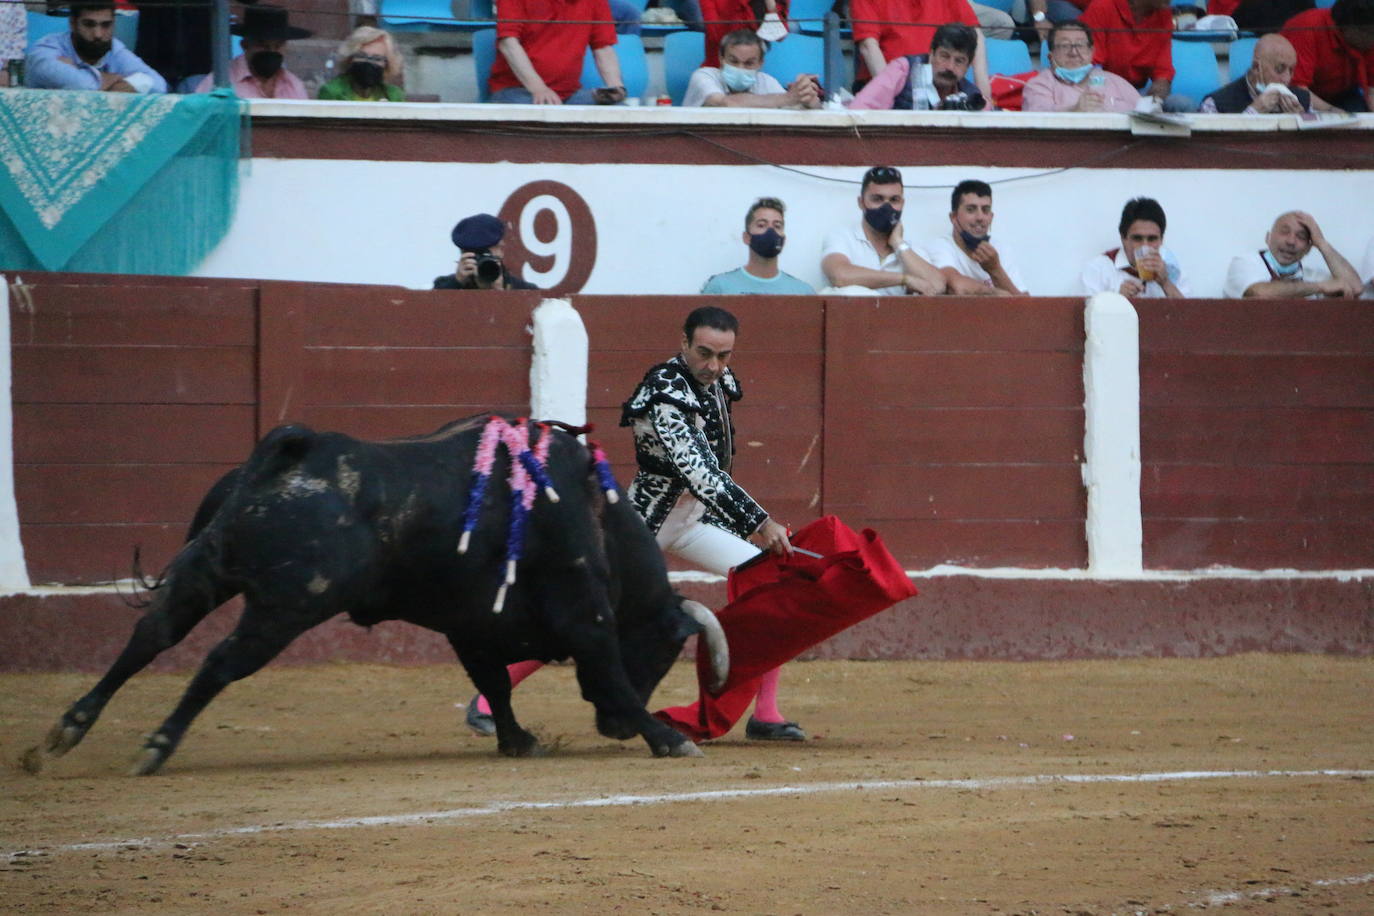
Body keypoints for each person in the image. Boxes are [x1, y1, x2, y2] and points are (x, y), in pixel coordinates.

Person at [468, 306, 806, 742]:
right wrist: (760, 522)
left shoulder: (718, 380)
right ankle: (486, 697)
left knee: (770, 582)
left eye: (724, 356)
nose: (713, 366)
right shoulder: (664, 391)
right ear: (683, 343)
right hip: (643, 523)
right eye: (704, 353)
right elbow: (700, 472)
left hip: (693, 519)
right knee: (587, 610)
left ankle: (767, 713)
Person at [820, 166, 946, 295]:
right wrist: (904, 279)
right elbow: (840, 276)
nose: (886, 207)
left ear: (902, 203)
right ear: (861, 202)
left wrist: (898, 244)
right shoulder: (842, 238)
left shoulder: (910, 251)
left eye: (894, 200)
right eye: (877, 199)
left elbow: (937, 286)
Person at [849, 0, 994, 101]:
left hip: (941, 85)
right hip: (891, 87)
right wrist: (891, 94)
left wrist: (983, 94)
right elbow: (868, 47)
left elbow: (976, 36)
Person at [488, 0, 626, 105]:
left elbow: (603, 48)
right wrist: (538, 88)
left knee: (622, 112)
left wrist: (615, 87)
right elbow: (507, 44)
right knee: (544, 114)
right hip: (517, 91)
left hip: (570, 95)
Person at [25, 1, 167, 93]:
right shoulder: (47, 49)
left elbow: (159, 85)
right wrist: (115, 80)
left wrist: (76, 71)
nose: (98, 34)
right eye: (89, 24)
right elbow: (82, 86)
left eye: (106, 25)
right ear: (72, 24)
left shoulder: (115, 49)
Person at [919, 180, 1027, 295]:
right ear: (953, 217)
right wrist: (994, 293)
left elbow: (1026, 307)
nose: (980, 217)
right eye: (971, 209)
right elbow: (956, 286)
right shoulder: (941, 246)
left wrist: (995, 269)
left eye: (985, 210)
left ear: (991, 217)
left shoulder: (1000, 249)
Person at [848, 23, 988, 110]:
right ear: (931, 53)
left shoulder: (972, 95)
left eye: (959, 61)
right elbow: (859, 109)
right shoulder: (902, 70)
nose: (950, 67)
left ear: (968, 65)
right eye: (944, 56)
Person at [1223, 211, 1362, 298]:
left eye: (1301, 237)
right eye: (1284, 232)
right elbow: (1259, 292)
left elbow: (1355, 288)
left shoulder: (1312, 276)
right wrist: (1319, 287)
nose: (1291, 241)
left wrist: (1322, 243)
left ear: (1308, 248)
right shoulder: (1245, 262)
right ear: (1268, 238)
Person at [1081, 197, 1191, 298]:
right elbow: (1087, 315)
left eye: (1152, 239)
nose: (1145, 246)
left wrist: (1166, 283)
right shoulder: (1098, 269)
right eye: (1137, 238)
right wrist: (1117, 300)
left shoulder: (1173, 270)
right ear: (1123, 238)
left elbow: (1190, 316)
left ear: (1161, 240)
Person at [702, 197, 817, 294]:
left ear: (784, 240)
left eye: (777, 226)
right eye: (761, 225)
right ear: (746, 237)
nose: (770, 231)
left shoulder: (802, 292)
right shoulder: (720, 287)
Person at [683, 29, 822, 108]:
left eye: (749, 63)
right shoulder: (703, 76)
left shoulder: (767, 81)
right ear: (721, 59)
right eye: (733, 61)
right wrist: (789, 97)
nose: (740, 68)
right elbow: (726, 103)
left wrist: (808, 99)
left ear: (760, 63)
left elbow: (800, 107)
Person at [194, 5, 311, 99]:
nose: (271, 51)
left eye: (278, 46)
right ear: (244, 45)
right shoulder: (220, 83)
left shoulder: (293, 86)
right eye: (263, 45)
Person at [1022, 21, 1143, 112]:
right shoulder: (1039, 85)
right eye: (1065, 46)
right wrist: (1075, 110)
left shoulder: (1115, 81)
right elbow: (1038, 123)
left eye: (1080, 45)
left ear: (1091, 52)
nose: (1074, 53)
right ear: (1051, 56)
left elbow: (1146, 114)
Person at [1079, 0, 1179, 109]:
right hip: (1101, 90)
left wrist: (1161, 86)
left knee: (1181, 104)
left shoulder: (1164, 14)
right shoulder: (1102, 6)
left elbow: (1163, 69)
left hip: (1139, 92)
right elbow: (1091, 65)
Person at [1281, 0, 1374, 113]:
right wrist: (1330, 110)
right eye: (1370, 34)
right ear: (1349, 28)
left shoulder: (1367, 38)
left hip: (1344, 94)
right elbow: (1297, 88)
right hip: (1297, 95)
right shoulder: (1307, 28)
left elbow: (1371, 89)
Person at [1201, 34, 1332, 113]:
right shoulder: (1215, 104)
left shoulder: (1303, 100)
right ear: (1256, 67)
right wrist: (1252, 113)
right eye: (1279, 69)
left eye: (1291, 70)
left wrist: (1301, 124)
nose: (1287, 79)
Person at [433, 214, 539, 290]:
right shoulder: (444, 287)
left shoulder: (524, 291)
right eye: (476, 255)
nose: (483, 260)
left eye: (487, 254)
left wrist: (501, 293)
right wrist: (456, 283)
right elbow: (432, 313)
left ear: (501, 250)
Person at [319, 26, 406, 101]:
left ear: (387, 64)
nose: (368, 62)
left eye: (377, 58)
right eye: (362, 56)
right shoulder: (332, 92)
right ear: (350, 58)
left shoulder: (393, 96)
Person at [700, 0, 789, 69]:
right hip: (717, 70)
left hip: (750, 73)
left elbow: (780, 35)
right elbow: (716, 36)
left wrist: (771, 8)